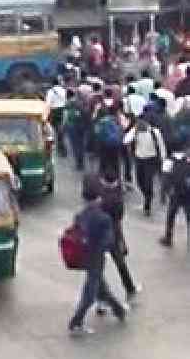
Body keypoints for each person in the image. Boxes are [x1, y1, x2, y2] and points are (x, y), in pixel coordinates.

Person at [68, 185, 127, 335]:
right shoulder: (104, 218)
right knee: (91, 290)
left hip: (84, 256)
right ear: (98, 198)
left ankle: (118, 309)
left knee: (100, 285)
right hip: (96, 257)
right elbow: (108, 240)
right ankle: (76, 321)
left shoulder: (80, 215)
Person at [84, 169, 140, 302]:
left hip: (97, 235)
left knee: (97, 267)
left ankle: (100, 299)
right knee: (120, 261)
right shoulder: (116, 197)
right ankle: (129, 287)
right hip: (112, 232)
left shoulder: (98, 194)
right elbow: (120, 215)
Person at [123, 117, 166, 216]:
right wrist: (134, 131)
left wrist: (163, 159)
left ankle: (147, 203)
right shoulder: (136, 130)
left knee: (148, 181)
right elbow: (125, 140)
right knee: (139, 180)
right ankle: (147, 194)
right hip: (139, 159)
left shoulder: (155, 132)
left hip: (151, 159)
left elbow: (161, 145)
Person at [161, 140, 190, 247]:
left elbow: (165, 177)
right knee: (189, 215)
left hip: (175, 192)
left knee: (171, 215)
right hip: (188, 192)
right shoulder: (187, 158)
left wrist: (163, 194)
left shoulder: (169, 160)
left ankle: (168, 238)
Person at [63, 90, 90, 171]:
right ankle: (81, 162)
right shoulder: (82, 103)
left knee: (75, 145)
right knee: (81, 144)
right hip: (81, 126)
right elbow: (87, 115)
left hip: (72, 125)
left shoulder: (68, 103)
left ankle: (78, 163)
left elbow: (65, 115)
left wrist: (64, 126)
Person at [46, 79, 68, 156]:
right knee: (60, 131)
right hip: (62, 110)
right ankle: (62, 148)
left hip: (54, 112)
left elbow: (48, 103)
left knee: (54, 131)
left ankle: (60, 149)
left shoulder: (50, 91)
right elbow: (66, 101)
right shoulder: (63, 90)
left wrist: (47, 113)